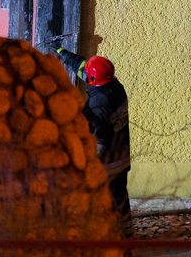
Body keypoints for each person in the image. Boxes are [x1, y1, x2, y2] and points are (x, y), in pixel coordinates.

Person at [56, 49, 133, 237]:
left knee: (104, 200)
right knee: (120, 198)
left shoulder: (100, 104)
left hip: (108, 163)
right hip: (121, 156)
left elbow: (101, 139)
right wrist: (64, 54)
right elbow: (86, 71)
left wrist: (89, 164)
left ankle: (111, 237)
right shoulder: (115, 86)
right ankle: (126, 233)